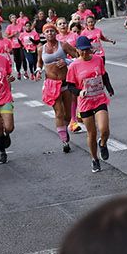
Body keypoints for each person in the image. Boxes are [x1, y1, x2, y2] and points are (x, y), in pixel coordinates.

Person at [64, 36, 115, 173]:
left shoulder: (97, 59)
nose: (86, 53)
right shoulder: (74, 66)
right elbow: (70, 86)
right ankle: (94, 159)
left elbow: (104, 75)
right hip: (85, 102)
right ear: (77, 50)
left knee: (104, 129)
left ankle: (103, 143)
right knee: (91, 133)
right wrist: (79, 92)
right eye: (83, 51)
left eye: (88, 50)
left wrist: (109, 88)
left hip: (99, 98)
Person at [39, 24, 80, 156]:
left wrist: (66, 61)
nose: (49, 33)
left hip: (65, 83)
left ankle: (64, 130)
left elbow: (78, 57)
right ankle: (64, 142)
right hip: (51, 84)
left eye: (51, 31)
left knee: (67, 115)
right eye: (47, 31)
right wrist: (38, 71)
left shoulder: (64, 45)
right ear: (44, 34)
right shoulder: (41, 49)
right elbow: (40, 63)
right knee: (59, 113)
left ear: (55, 32)